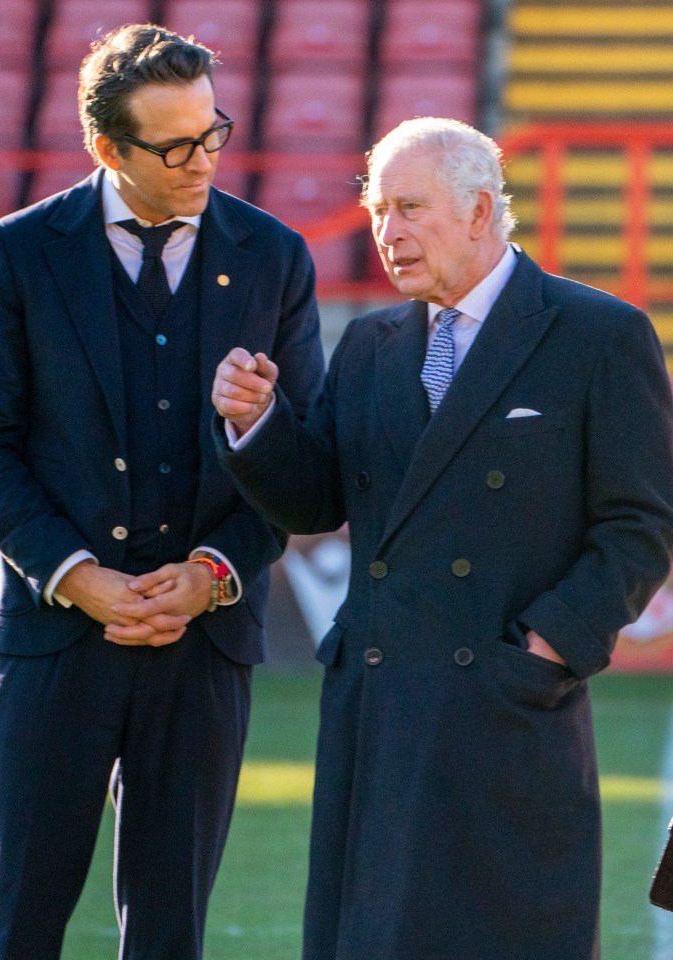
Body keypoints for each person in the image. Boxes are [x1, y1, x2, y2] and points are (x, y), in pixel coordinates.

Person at [211, 117, 673, 960]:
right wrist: (258, 426)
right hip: (379, 705)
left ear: (480, 211)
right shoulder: (371, 343)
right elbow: (318, 502)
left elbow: (640, 524)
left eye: (411, 208)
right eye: (380, 211)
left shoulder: (598, 335)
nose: (389, 233)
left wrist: (549, 645)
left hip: (508, 701)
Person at [0, 23, 324, 960]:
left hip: (205, 650)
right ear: (107, 148)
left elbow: (305, 460)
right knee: (16, 930)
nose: (204, 159)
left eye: (214, 132)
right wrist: (76, 576)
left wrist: (213, 573)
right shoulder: (18, 252)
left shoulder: (276, 255)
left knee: (170, 937)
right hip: (50, 641)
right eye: (176, 145)